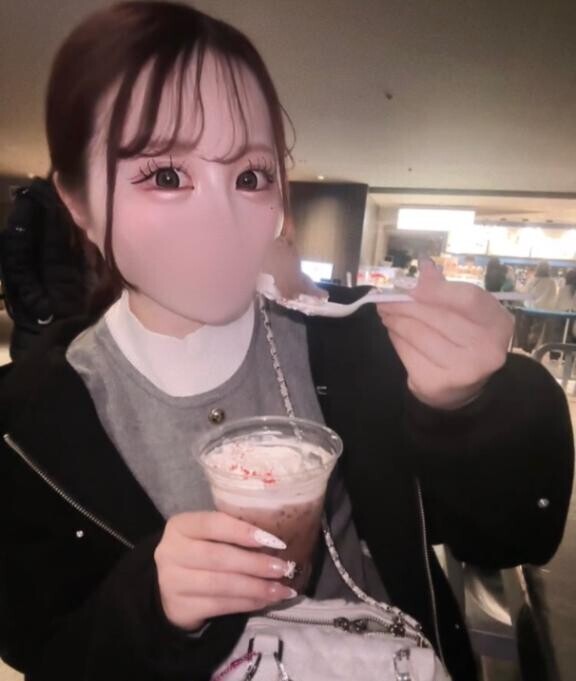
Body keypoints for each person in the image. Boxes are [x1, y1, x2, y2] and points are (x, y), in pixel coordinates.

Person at [0, 3, 573, 681]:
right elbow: (47, 649)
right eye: (165, 176)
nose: (223, 220)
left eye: (251, 176)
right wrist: (149, 605)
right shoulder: (29, 426)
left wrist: (473, 408)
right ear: (78, 204)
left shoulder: (354, 346)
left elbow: (513, 536)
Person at [0, 177, 89, 359]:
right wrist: (42, 309)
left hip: (72, 322)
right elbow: (15, 262)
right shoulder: (34, 202)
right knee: (37, 371)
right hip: (40, 327)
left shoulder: (75, 207)